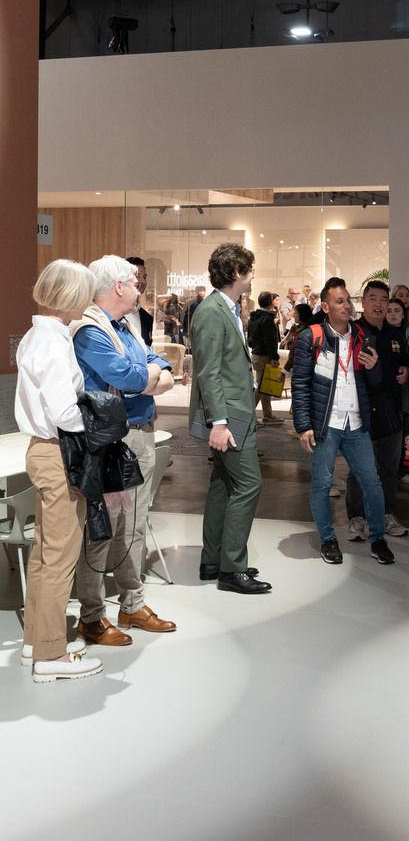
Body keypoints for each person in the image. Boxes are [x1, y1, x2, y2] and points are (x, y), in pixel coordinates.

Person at [71, 253, 178, 646]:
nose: (139, 288)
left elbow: (156, 363)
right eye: (134, 282)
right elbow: (128, 377)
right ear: (118, 286)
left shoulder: (125, 326)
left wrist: (152, 374)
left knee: (134, 526)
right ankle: (92, 616)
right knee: (103, 530)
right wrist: (150, 378)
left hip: (140, 435)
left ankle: (132, 604)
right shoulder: (89, 330)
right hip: (110, 442)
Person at [17, 260, 103, 682]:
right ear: (69, 295)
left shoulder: (39, 336)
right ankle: (50, 656)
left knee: (44, 555)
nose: (89, 300)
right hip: (58, 453)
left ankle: (37, 641)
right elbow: (65, 412)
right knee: (59, 558)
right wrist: (100, 420)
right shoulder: (52, 342)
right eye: (85, 292)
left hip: (44, 451)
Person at [292, 278, 396, 565]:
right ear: (325, 307)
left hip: (356, 423)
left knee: (372, 483)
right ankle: (328, 540)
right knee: (322, 484)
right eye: (340, 301)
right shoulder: (311, 337)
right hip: (324, 425)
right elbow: (300, 383)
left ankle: (378, 539)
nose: (347, 305)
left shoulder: (362, 336)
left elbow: (374, 381)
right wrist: (303, 426)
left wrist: (374, 368)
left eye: (348, 300)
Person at [189, 243, 271, 593]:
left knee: (223, 484)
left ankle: (214, 561)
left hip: (237, 411)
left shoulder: (228, 308)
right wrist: (219, 423)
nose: (252, 277)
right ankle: (232, 569)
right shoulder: (212, 311)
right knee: (249, 485)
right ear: (237, 273)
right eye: (250, 271)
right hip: (230, 415)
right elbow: (208, 372)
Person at [344, 280, 409, 540]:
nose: (379, 304)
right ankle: (357, 518)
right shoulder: (352, 332)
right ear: (363, 303)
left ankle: (386, 514)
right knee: (359, 467)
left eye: (384, 299)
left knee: (389, 468)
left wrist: (405, 370)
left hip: (391, 410)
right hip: (360, 411)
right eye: (373, 298)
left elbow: (403, 363)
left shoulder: (395, 334)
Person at [248, 290, 283, 425]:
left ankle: (268, 415)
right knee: (261, 387)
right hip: (264, 355)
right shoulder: (267, 318)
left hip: (256, 354)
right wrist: (274, 356)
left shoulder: (254, 317)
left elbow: (250, 339)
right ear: (270, 303)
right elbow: (270, 340)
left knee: (265, 386)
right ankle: (249, 416)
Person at [124, 256, 154, 344]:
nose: (143, 281)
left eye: (144, 277)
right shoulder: (113, 315)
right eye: (137, 276)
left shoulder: (147, 319)